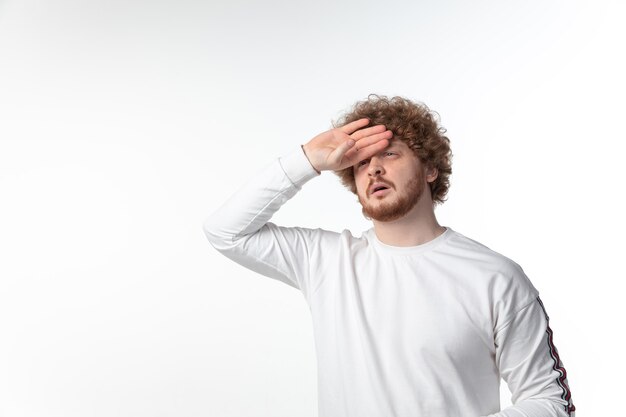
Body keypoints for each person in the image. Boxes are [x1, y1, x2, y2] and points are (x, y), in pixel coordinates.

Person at [203, 95, 576, 417]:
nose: (374, 168)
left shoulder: (494, 277)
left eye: (390, 154)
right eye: (361, 162)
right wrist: (308, 160)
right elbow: (225, 231)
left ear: (431, 169)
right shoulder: (326, 261)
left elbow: (550, 402)